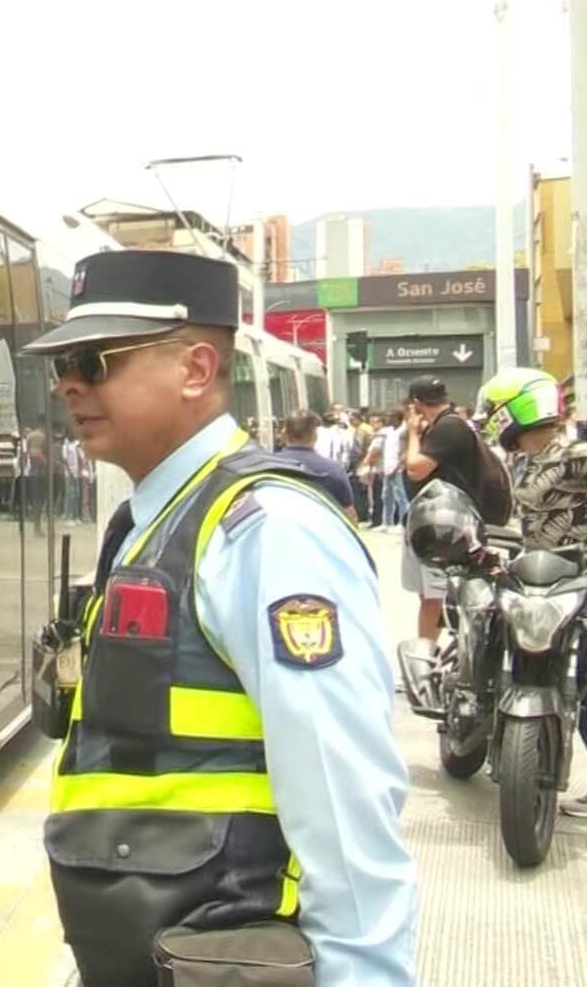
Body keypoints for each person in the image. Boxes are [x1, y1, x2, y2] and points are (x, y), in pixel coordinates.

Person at [23, 249, 415, 985]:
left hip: (226, 959)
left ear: (197, 370)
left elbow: (342, 796)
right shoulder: (149, 518)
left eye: (94, 360)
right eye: (60, 366)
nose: (69, 383)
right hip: (153, 951)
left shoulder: (269, 531)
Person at [478, 369, 587, 817]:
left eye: (493, 411)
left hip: (576, 584)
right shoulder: (527, 459)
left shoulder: (574, 453)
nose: (489, 419)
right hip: (538, 581)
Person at [400, 375, 483, 643]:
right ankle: (430, 654)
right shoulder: (443, 426)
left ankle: (426, 658)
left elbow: (415, 468)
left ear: (415, 404)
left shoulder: (448, 428)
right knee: (429, 596)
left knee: (434, 598)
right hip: (431, 520)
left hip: (443, 526)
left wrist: (412, 432)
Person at [277, 409, 357, 519]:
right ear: (315, 435)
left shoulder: (269, 466)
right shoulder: (333, 469)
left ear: (284, 432)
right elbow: (349, 513)